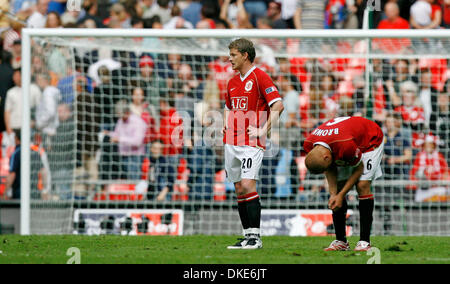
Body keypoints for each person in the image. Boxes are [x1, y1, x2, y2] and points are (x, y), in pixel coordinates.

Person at [223, 38, 284, 249]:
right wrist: (225, 123)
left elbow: (278, 105)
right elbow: (228, 107)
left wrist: (262, 129)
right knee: (239, 187)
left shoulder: (260, 77)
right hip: (231, 140)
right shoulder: (232, 82)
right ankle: (247, 235)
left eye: (233, 55)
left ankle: (256, 238)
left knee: (248, 184)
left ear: (245, 55)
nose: (229, 59)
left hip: (251, 140)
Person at [303, 116, 384, 252]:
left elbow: (359, 168)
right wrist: (333, 194)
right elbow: (329, 167)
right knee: (337, 189)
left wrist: (341, 195)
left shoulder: (345, 146)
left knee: (362, 185)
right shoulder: (309, 144)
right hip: (346, 139)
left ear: (327, 157)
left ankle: (364, 241)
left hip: (370, 139)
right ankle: (341, 241)